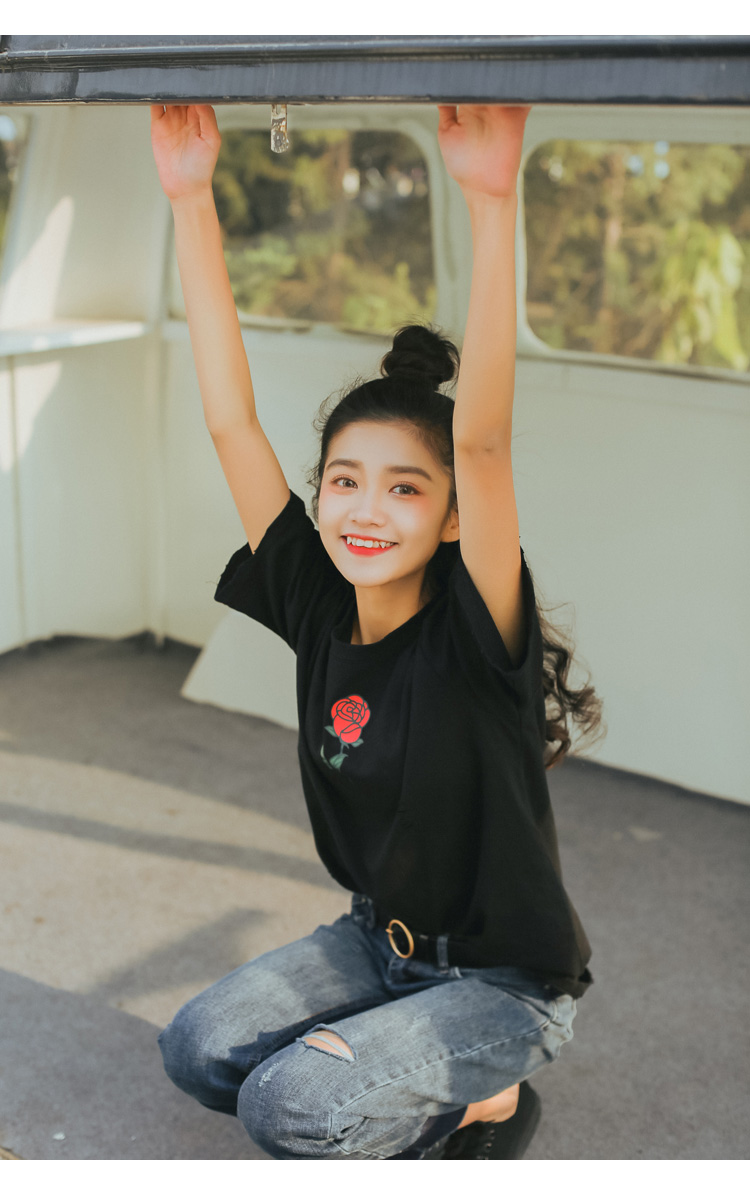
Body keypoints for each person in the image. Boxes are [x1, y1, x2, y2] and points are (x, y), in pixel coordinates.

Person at [150, 101, 602, 1161]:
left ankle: (488, 1098)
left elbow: (481, 443)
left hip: (505, 981)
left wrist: (491, 201)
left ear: (451, 520)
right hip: (376, 940)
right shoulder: (316, 603)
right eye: (345, 480)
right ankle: (391, 1048)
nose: (366, 508)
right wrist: (190, 200)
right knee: (196, 1049)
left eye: (405, 489)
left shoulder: (476, 631)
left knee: (285, 1106)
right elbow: (230, 420)